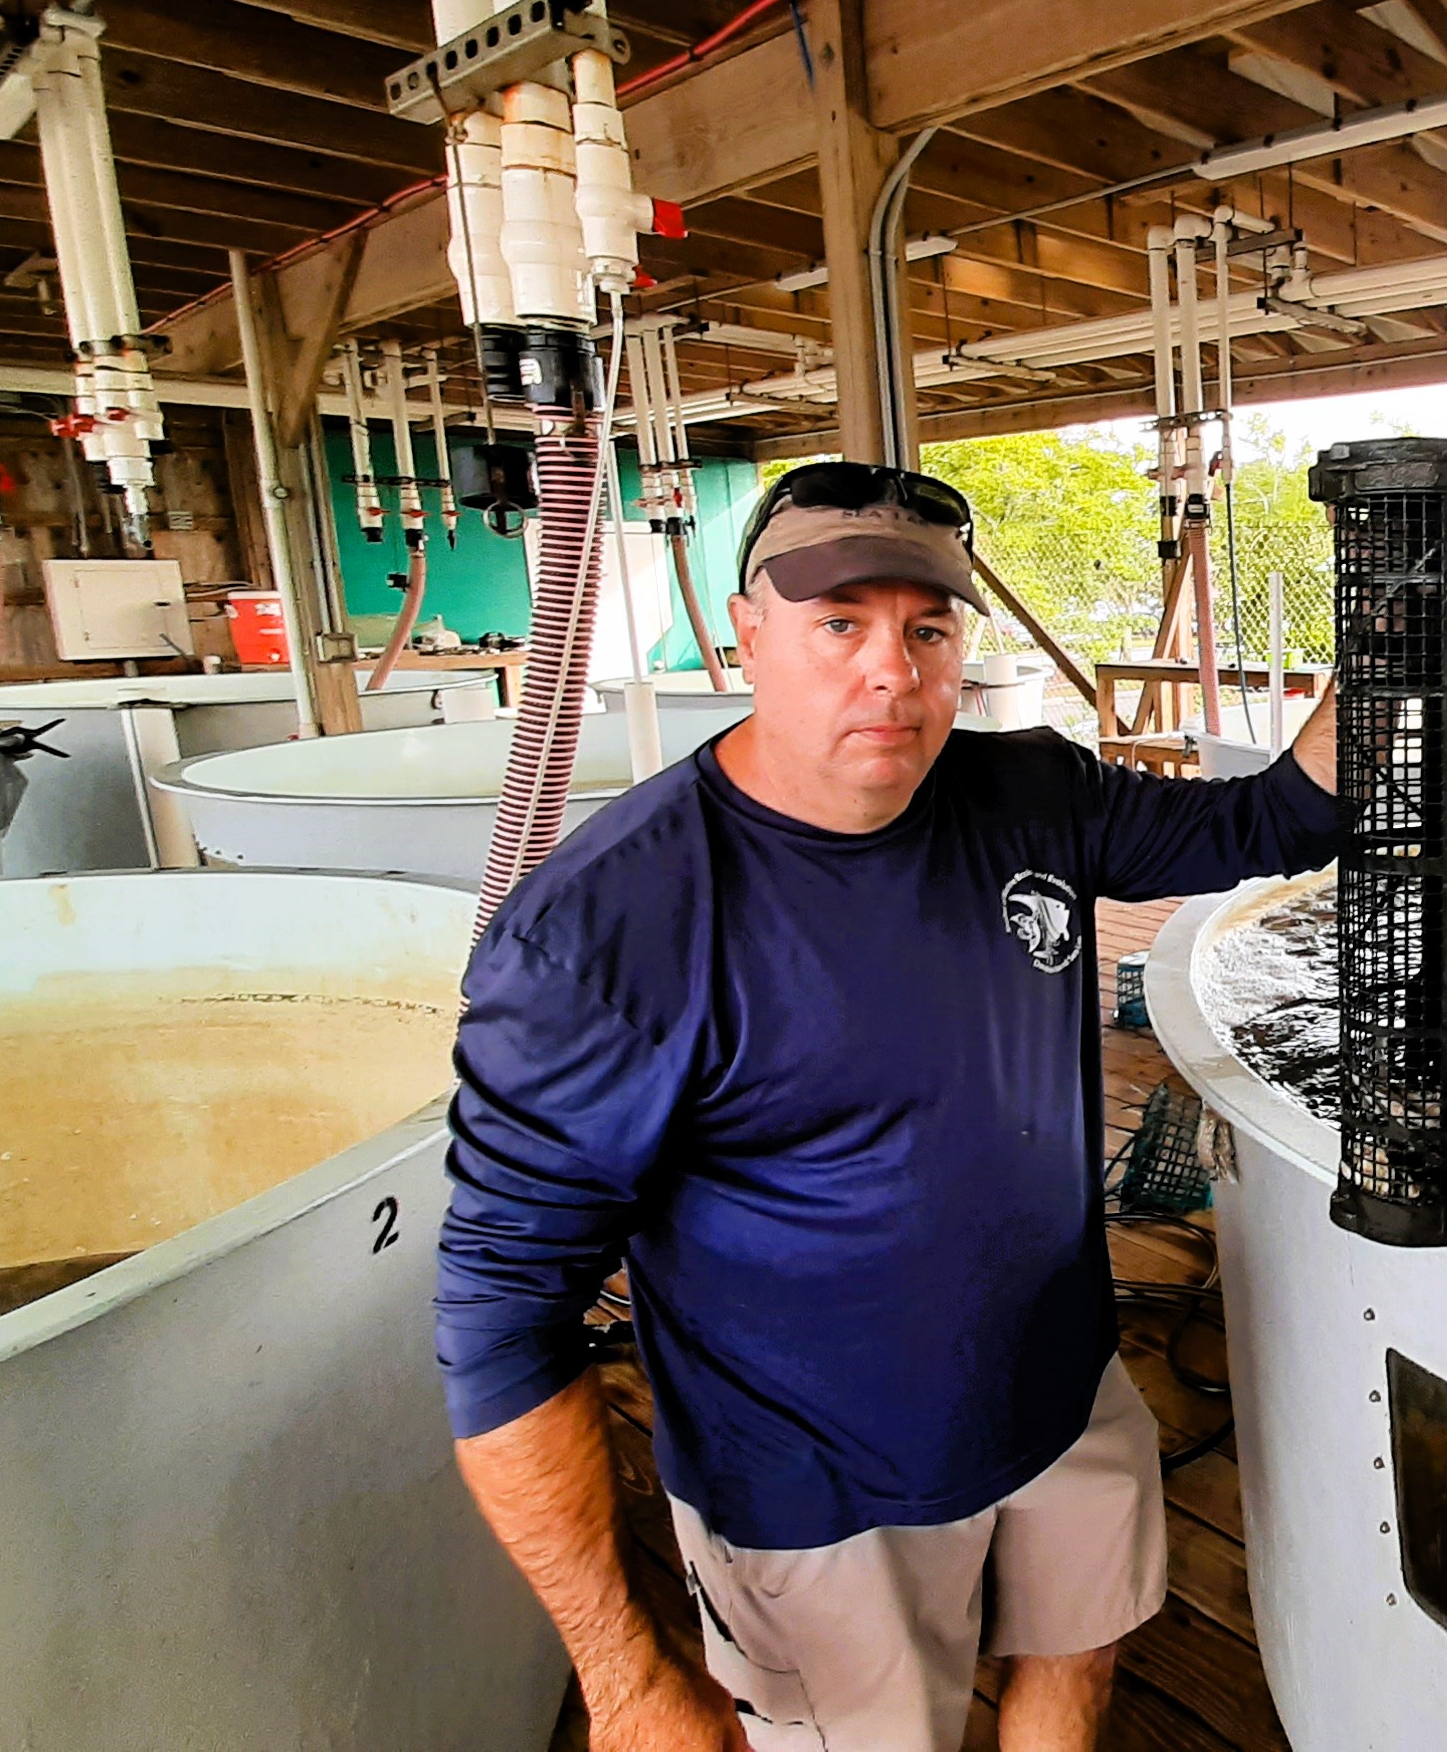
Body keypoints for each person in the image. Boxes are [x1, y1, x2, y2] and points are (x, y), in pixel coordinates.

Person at [434, 461, 1339, 1752]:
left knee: (1075, 1669)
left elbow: (1273, 819)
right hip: (815, 1491)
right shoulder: (603, 932)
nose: (892, 672)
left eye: (928, 627)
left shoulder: (1029, 792)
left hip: (1064, 1391)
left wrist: (1390, 652)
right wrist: (625, 1678)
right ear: (746, 633)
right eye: (839, 623)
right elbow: (498, 1318)